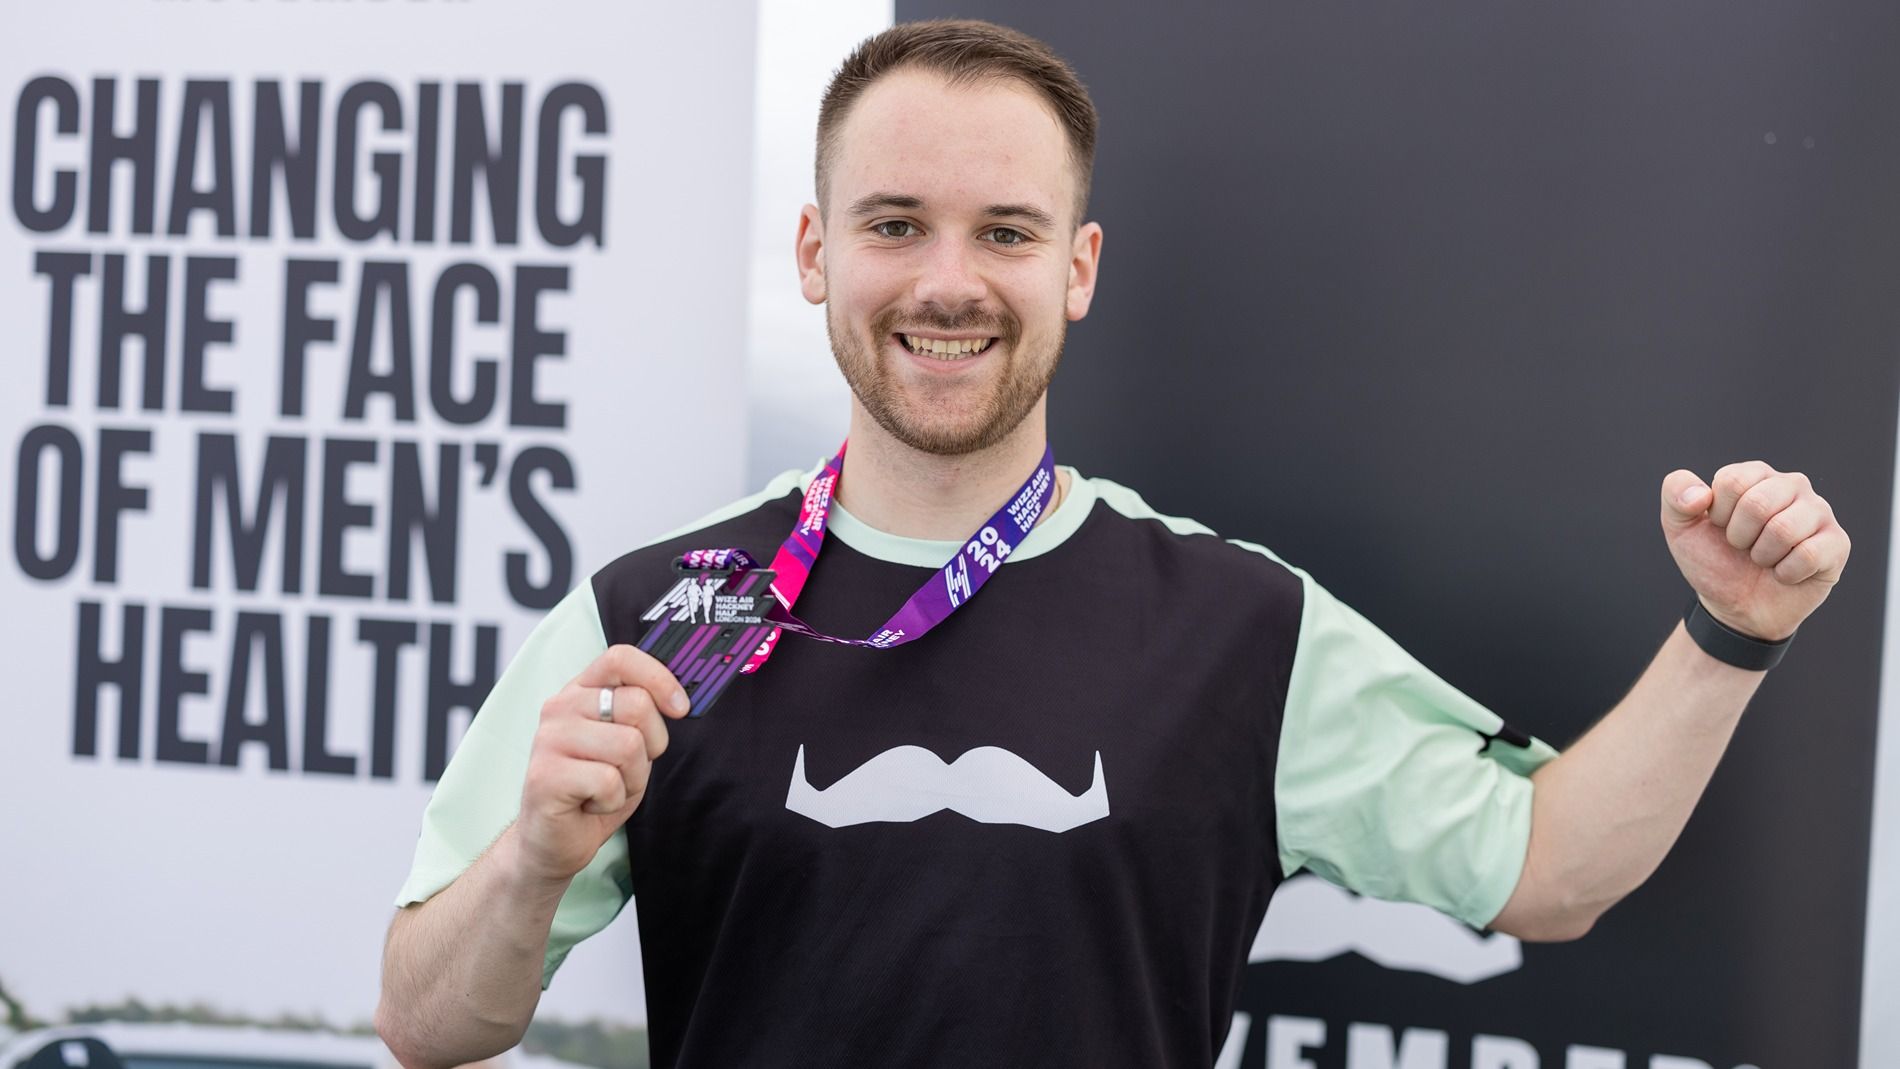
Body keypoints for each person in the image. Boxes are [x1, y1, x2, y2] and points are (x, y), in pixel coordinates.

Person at [373, 19, 1852, 1069]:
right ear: (818, 251)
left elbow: (1551, 868)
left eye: (1006, 233)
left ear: (1076, 269)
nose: (948, 283)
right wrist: (529, 865)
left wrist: (1731, 631)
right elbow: (427, 1023)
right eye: (895, 223)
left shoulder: (1232, 625)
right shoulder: (657, 610)